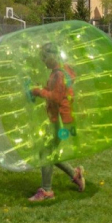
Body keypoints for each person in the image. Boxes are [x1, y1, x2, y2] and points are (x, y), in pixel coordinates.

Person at [28, 43, 85, 201]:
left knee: (46, 154)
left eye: (45, 57)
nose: (43, 61)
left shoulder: (59, 74)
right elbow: (52, 91)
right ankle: (75, 174)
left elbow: (56, 97)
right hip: (57, 119)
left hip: (60, 120)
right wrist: (37, 89)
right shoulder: (57, 72)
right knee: (47, 152)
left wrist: (38, 92)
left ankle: (47, 191)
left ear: (53, 56)